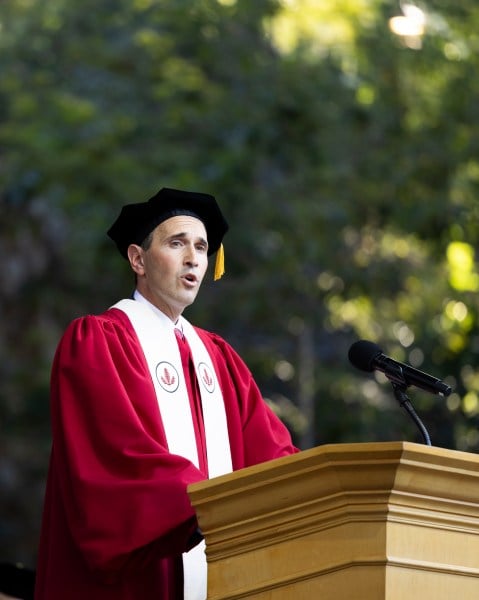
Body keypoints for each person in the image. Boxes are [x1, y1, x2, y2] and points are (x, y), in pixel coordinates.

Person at [34, 187, 298, 600]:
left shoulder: (219, 359)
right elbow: (112, 456)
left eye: (202, 247)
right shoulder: (97, 340)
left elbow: (272, 457)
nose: (194, 258)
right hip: (136, 580)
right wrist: (206, 503)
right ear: (137, 259)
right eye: (177, 243)